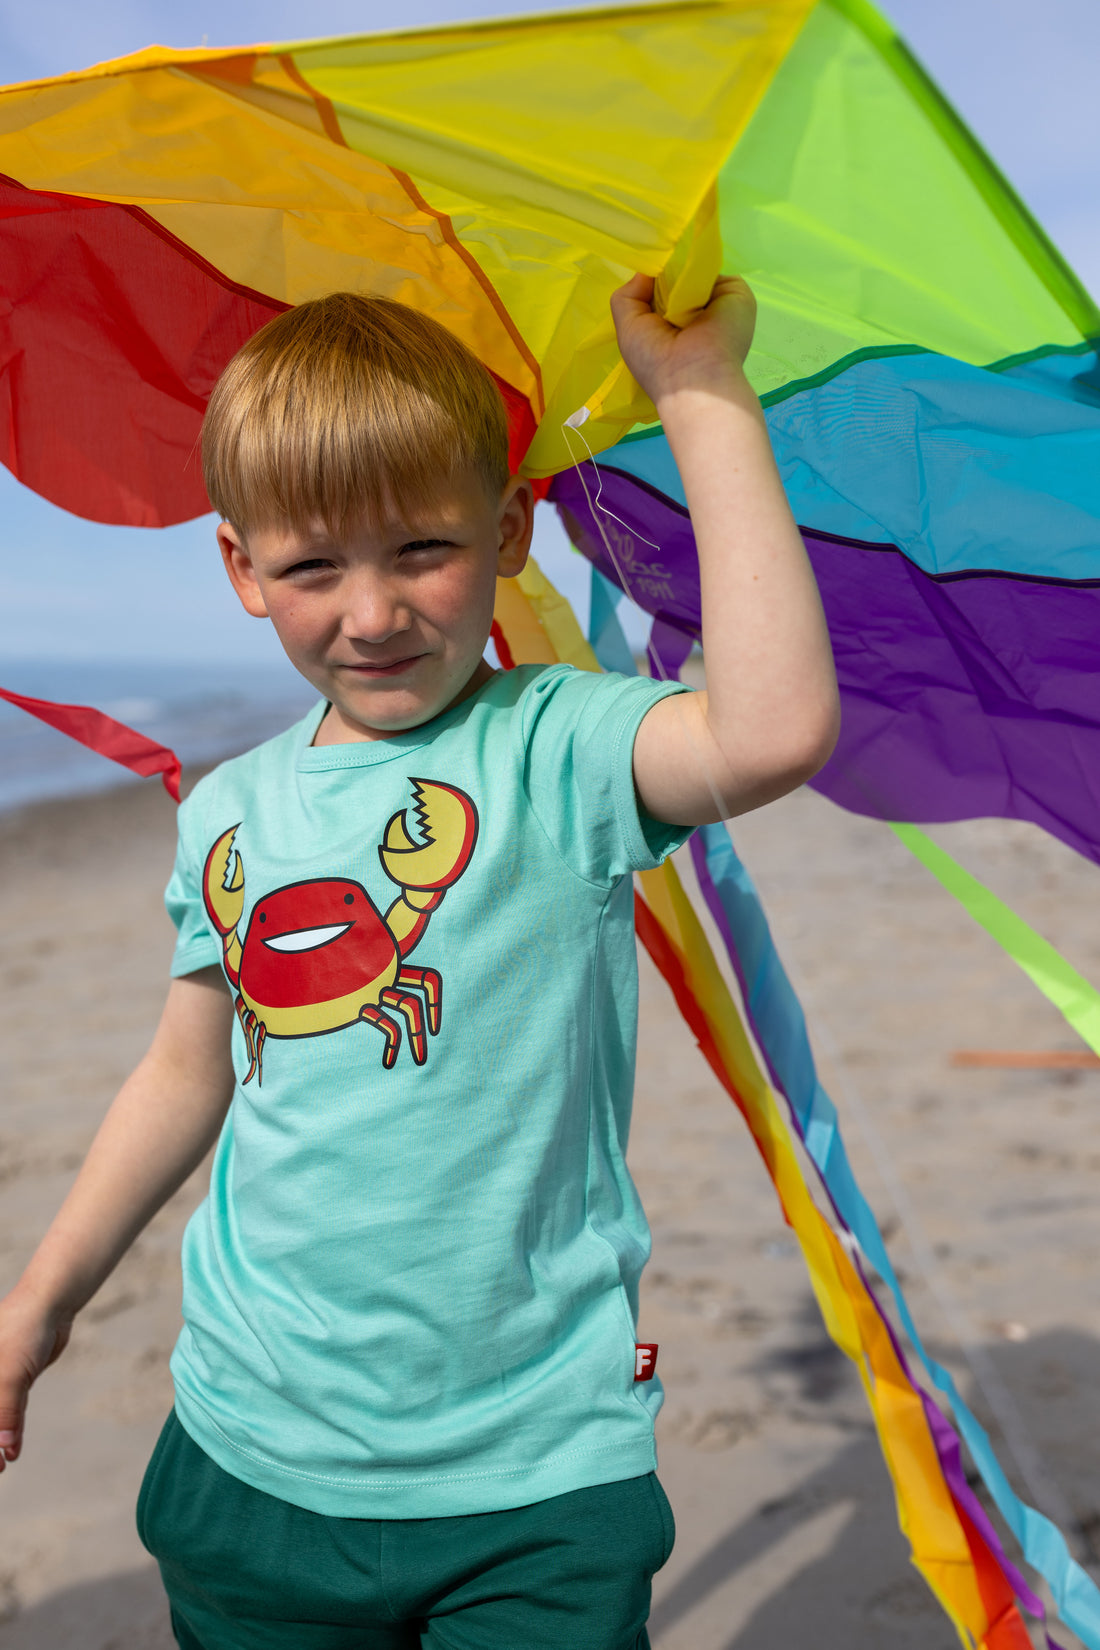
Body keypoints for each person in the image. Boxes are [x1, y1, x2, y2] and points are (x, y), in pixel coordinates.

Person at [0, 273, 839, 1649]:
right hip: (252, 1450)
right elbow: (181, 1077)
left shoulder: (558, 746)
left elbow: (775, 727)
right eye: (315, 565)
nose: (374, 611)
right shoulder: (228, 812)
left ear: (508, 533)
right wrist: (39, 1299)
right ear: (241, 568)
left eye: (421, 549)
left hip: (533, 1470)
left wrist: (699, 391)